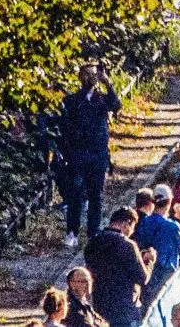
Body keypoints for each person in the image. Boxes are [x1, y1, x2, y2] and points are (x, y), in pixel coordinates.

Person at [55, 60, 120, 247]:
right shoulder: (72, 101)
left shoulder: (102, 100)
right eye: (88, 74)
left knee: (95, 196)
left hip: (98, 154)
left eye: (94, 74)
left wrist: (108, 84)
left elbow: (116, 105)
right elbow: (65, 127)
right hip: (78, 154)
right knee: (75, 194)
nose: (91, 77)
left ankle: (93, 232)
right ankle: (72, 231)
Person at [82, 207, 152, 327]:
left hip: (100, 305)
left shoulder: (92, 243)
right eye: (132, 228)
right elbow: (142, 278)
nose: (131, 233)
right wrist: (149, 261)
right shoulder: (127, 245)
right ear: (126, 224)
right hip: (125, 309)